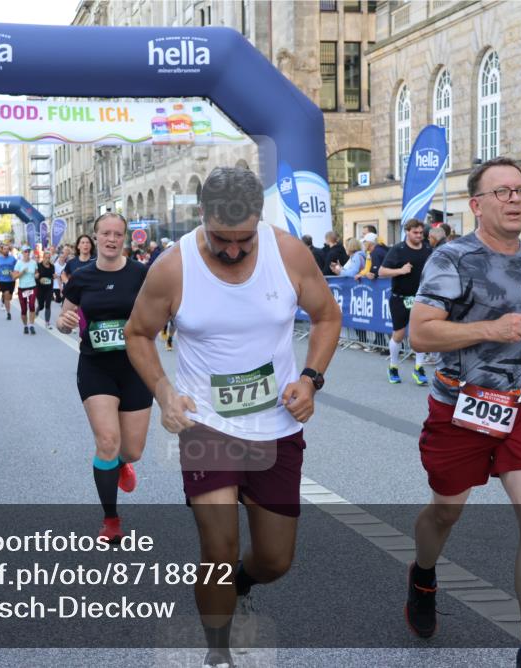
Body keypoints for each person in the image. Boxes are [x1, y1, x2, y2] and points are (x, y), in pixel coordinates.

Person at [123, 167, 341, 668]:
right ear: (202, 217)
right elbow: (139, 333)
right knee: (218, 551)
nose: (235, 251)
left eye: (245, 240)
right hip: (208, 427)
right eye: (222, 239)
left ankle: (246, 583)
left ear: (259, 221)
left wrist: (310, 378)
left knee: (274, 560)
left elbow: (327, 316)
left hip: (277, 428)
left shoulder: (287, 253)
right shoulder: (173, 267)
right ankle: (217, 656)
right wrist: (164, 392)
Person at [406, 157, 521, 667]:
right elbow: (422, 332)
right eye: (503, 192)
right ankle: (423, 576)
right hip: (461, 408)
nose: (517, 199)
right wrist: (489, 330)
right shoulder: (452, 258)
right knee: (445, 512)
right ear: (476, 204)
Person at [58, 213, 151, 543]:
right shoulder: (81, 277)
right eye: (105, 233)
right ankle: (111, 520)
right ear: (95, 237)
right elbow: (63, 318)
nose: (111, 239)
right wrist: (66, 323)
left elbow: (160, 310)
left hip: (137, 367)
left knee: (133, 450)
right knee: (107, 442)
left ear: (124, 238)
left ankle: (122, 464)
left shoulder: (142, 274)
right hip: (96, 366)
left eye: (117, 234)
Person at [378, 218, 432, 385]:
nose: (418, 236)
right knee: (399, 335)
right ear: (407, 232)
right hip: (400, 298)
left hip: (421, 299)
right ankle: (393, 367)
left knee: (421, 335)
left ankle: (419, 368)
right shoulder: (398, 249)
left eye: (421, 233)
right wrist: (400, 270)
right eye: (415, 232)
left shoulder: (428, 249)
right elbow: (381, 271)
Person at [14, 245, 38, 334]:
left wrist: (37, 276)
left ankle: (31, 325)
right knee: (24, 309)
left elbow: (36, 273)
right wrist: (22, 272)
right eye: (25, 251)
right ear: (22, 253)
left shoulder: (33, 263)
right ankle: (25, 325)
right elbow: (14, 277)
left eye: (28, 251)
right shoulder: (19, 263)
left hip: (32, 286)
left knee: (32, 305)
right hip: (22, 288)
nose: (27, 253)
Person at [0, 243, 17, 320]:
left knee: (10, 297)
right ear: (2, 250)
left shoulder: (13, 259)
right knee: (6, 295)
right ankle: (8, 313)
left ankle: (6, 301)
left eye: (7, 249)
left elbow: (17, 268)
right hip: (2, 280)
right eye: (4, 249)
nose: (6, 250)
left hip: (11, 280)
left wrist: (14, 273)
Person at [35, 250, 55, 329]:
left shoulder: (52, 266)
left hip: (49, 289)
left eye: (49, 258)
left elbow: (52, 275)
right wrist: (37, 277)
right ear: (43, 258)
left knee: (48, 305)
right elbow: (35, 275)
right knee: (41, 306)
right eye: (46, 258)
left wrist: (54, 276)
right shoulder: (38, 266)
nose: (47, 259)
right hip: (40, 289)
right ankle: (38, 309)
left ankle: (47, 322)